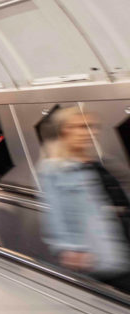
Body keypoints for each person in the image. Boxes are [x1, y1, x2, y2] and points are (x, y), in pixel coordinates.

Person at [38, 107, 130, 293]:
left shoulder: (101, 162)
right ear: (65, 130)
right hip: (102, 250)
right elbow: (55, 212)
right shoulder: (54, 169)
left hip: (123, 238)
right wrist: (71, 248)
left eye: (92, 127)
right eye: (82, 127)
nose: (91, 132)